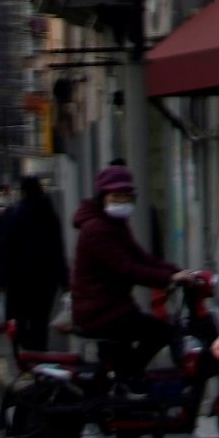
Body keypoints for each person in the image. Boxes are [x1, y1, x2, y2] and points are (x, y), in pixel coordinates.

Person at [69, 165, 180, 385]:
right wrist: (168, 278)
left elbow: (141, 257)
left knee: (121, 359)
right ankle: (130, 377)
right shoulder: (96, 229)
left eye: (126, 196)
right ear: (103, 197)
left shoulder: (114, 225)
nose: (122, 201)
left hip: (112, 307)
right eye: (116, 196)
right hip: (102, 312)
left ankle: (125, 380)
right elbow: (127, 268)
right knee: (161, 332)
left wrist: (176, 271)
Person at [3, 179, 67, 352]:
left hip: (21, 280)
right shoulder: (49, 213)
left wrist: (3, 279)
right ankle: (40, 353)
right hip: (47, 279)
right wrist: (64, 280)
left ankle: (25, 354)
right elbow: (58, 248)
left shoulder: (16, 213)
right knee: (41, 321)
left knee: (20, 319)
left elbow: (9, 249)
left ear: (23, 192)